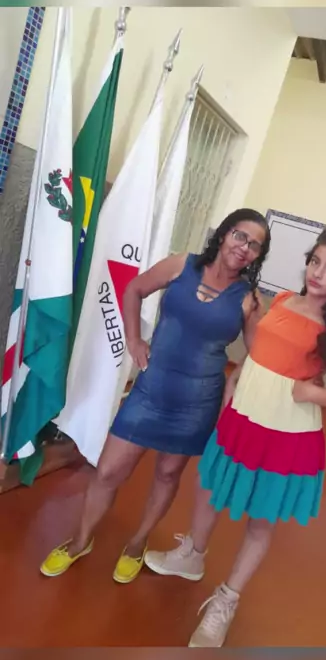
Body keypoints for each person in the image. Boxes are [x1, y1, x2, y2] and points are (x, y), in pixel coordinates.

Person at [145, 225, 326, 647]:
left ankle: (226, 600)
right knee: (209, 484)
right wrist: (239, 373)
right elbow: (264, 349)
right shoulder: (286, 300)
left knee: (261, 519)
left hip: (286, 430)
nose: (317, 273)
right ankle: (192, 556)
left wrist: (316, 394)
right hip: (243, 415)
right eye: (315, 262)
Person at [40, 208, 271, 581]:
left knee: (167, 474)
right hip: (151, 389)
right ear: (225, 234)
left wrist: (234, 382)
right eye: (240, 236)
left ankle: (137, 543)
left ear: (258, 255)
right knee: (108, 470)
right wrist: (134, 339)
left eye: (255, 245)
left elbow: (260, 353)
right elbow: (134, 289)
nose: (244, 247)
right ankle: (80, 540)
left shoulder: (249, 300)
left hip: (197, 403)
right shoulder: (183, 265)